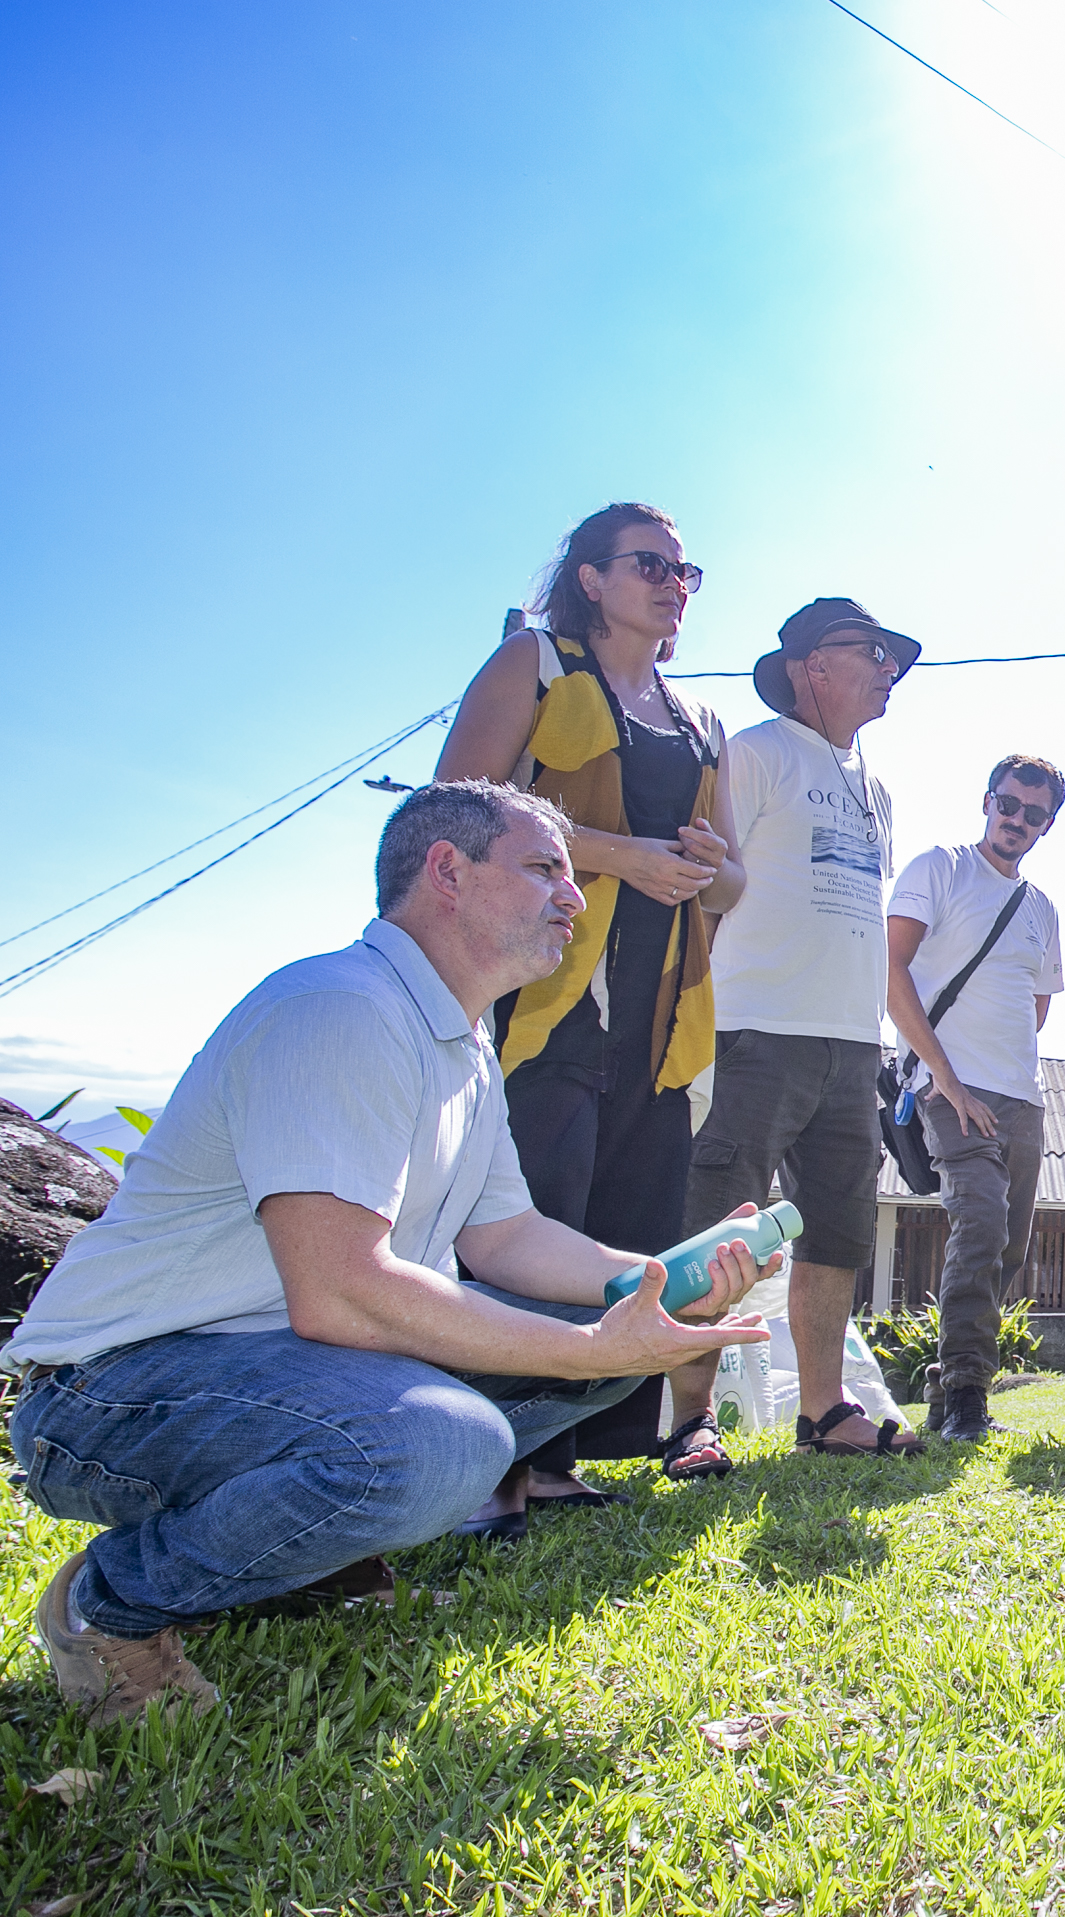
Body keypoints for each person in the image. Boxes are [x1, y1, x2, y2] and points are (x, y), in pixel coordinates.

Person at [0, 782, 774, 1724]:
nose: (576, 897)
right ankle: (108, 1603)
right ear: (447, 872)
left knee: (601, 1342)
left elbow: (505, 1238)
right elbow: (340, 1295)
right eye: (544, 870)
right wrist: (592, 1349)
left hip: (272, 1371)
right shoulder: (341, 1009)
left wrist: (661, 1285)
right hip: (107, 1397)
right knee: (445, 1442)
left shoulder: (460, 1043)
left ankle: (298, 1559)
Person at [432, 503, 745, 1524]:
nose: (673, 583)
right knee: (538, 1211)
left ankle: (566, 1454)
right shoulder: (534, 661)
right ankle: (489, 1458)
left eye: (686, 569)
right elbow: (456, 806)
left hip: (659, 1012)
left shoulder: (703, 719)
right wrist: (618, 856)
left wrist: (708, 870)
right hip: (547, 993)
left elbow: (731, 878)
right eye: (650, 564)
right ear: (591, 576)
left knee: (630, 1215)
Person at [676, 599, 925, 1458]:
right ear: (809, 666)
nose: (889, 668)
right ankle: (691, 1420)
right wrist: (690, 1016)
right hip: (753, 1027)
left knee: (839, 1231)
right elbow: (708, 888)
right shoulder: (754, 752)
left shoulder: (878, 787)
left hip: (852, 1044)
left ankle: (823, 1413)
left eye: (895, 657)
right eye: (872, 652)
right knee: (717, 1227)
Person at [888, 754, 1065, 1444]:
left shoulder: (1041, 908)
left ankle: (945, 1390)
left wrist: (1004, 1073)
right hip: (945, 1087)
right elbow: (891, 970)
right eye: (1008, 803)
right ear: (987, 799)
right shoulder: (941, 867)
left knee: (1007, 1251)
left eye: (1033, 812)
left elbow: (1037, 1009)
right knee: (982, 1222)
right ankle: (968, 1393)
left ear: (1046, 825)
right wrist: (949, 1078)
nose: (1016, 819)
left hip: (1020, 1098)